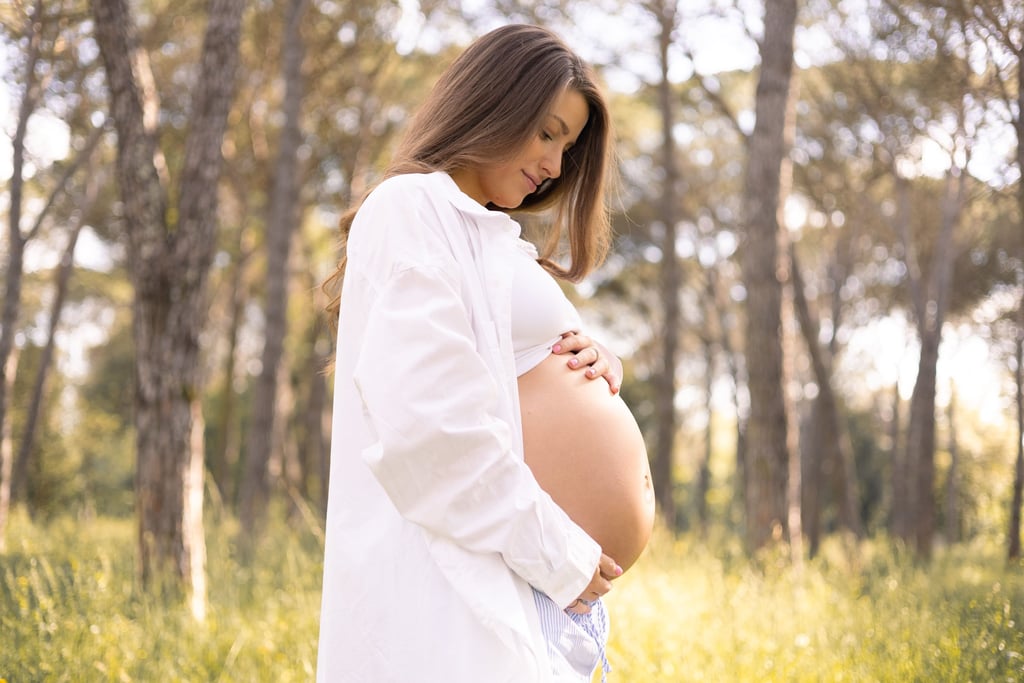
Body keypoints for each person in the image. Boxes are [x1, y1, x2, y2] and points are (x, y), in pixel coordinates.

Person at [317, 23, 655, 682]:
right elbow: (429, 428)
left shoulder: (491, 237)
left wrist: (595, 364)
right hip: (484, 574)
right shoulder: (412, 208)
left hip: (536, 583)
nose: (557, 166)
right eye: (548, 132)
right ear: (497, 103)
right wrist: (557, 553)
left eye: (570, 144)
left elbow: (512, 373)